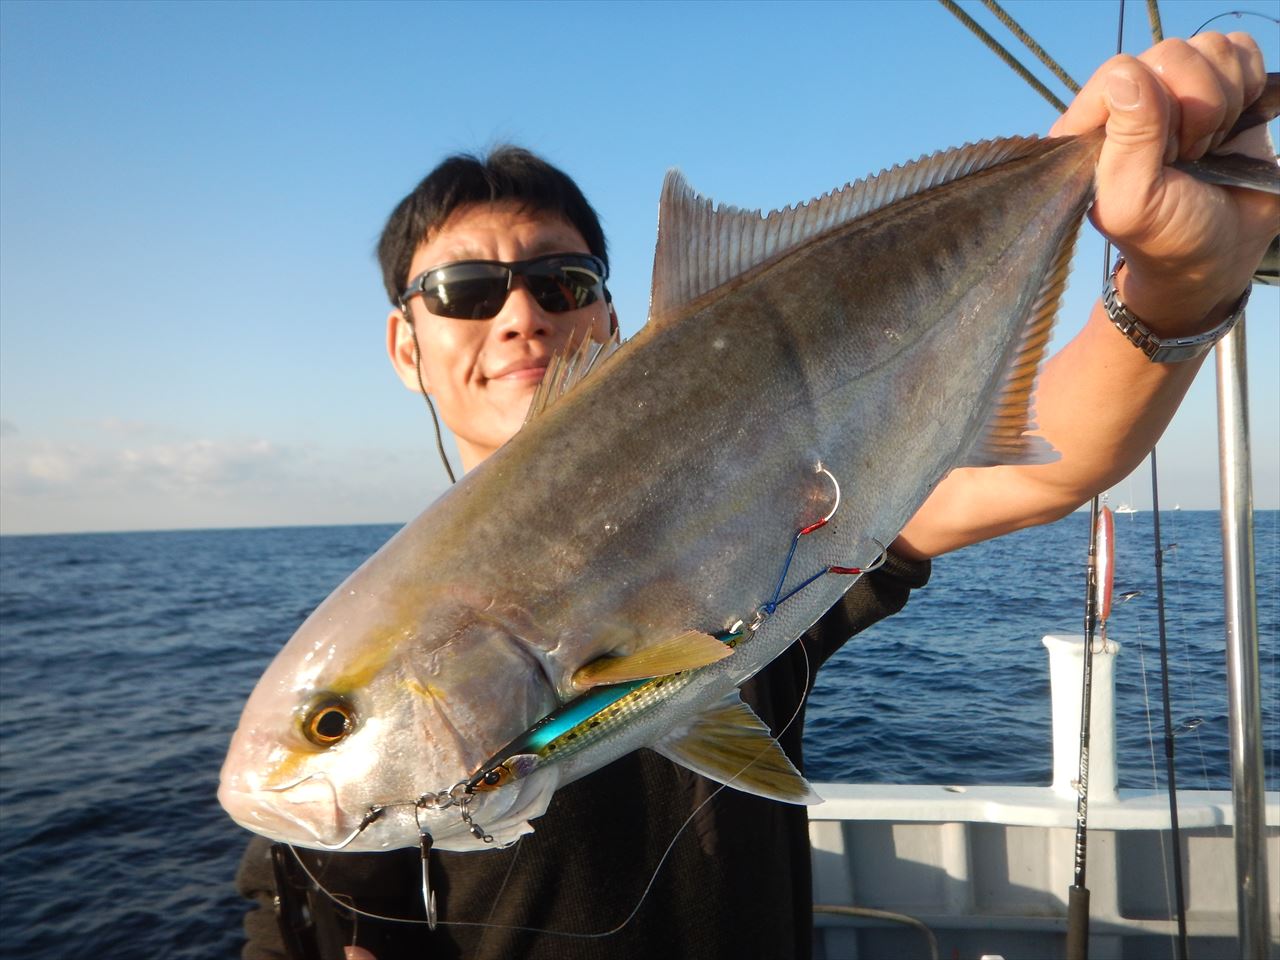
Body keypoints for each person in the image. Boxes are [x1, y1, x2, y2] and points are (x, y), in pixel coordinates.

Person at [236, 34, 1278, 960]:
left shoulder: (778, 499)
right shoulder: (362, 673)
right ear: (401, 344)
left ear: (605, 314)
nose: (518, 317)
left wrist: (1179, 288)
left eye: (560, 283)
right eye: (464, 293)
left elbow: (1041, 466)